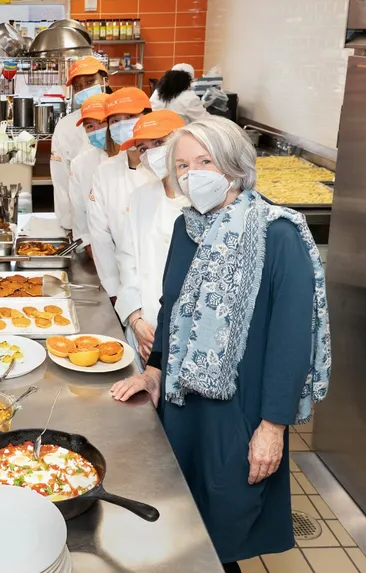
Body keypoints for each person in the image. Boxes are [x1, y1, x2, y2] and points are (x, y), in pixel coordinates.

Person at [109, 118, 331, 571]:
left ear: (233, 164)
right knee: (182, 522)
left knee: (224, 525)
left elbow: (291, 344)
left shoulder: (278, 234)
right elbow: (170, 309)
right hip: (181, 406)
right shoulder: (185, 229)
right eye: (183, 165)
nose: (193, 175)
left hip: (241, 413)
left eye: (204, 161)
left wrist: (273, 428)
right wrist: (153, 370)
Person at [113, 110, 189, 360]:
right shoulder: (140, 198)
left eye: (159, 143)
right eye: (142, 148)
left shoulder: (201, 201)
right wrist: (135, 319)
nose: (151, 153)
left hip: (189, 336)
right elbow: (127, 261)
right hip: (144, 329)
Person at [86, 88, 157, 302]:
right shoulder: (105, 171)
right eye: (115, 120)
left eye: (131, 117)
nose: (123, 124)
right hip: (122, 283)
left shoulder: (166, 168)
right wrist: (115, 291)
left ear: (148, 116)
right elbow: (100, 236)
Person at [50, 56, 110, 234]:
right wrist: (69, 223)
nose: (84, 89)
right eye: (78, 87)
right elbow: (60, 179)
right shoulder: (65, 127)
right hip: (81, 217)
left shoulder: (123, 118)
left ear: (104, 80)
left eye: (91, 81)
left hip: (119, 217)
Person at [67, 93, 110, 250]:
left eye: (101, 123)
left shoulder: (134, 160)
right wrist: (92, 250)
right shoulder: (80, 164)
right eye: (90, 126)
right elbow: (79, 217)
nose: (96, 130)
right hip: (96, 252)